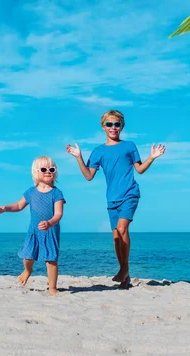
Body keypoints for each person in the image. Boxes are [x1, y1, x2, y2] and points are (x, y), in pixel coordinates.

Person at [66, 110, 165, 288]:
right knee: (116, 237)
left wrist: (152, 157)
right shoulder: (98, 151)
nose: (113, 128)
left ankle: (124, 269)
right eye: (109, 124)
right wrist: (78, 157)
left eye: (117, 124)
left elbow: (140, 169)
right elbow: (88, 176)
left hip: (130, 193)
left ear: (122, 126)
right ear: (103, 127)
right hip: (112, 198)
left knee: (122, 229)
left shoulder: (129, 146)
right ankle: (125, 276)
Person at [0, 156, 65, 295]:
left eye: (51, 169)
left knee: (51, 260)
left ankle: (52, 288)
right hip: (34, 230)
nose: (48, 171)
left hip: (50, 230)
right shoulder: (31, 192)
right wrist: (5, 208)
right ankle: (27, 270)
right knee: (28, 256)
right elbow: (19, 205)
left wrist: (49, 223)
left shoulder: (57, 193)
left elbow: (58, 214)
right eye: (44, 169)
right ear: (36, 173)